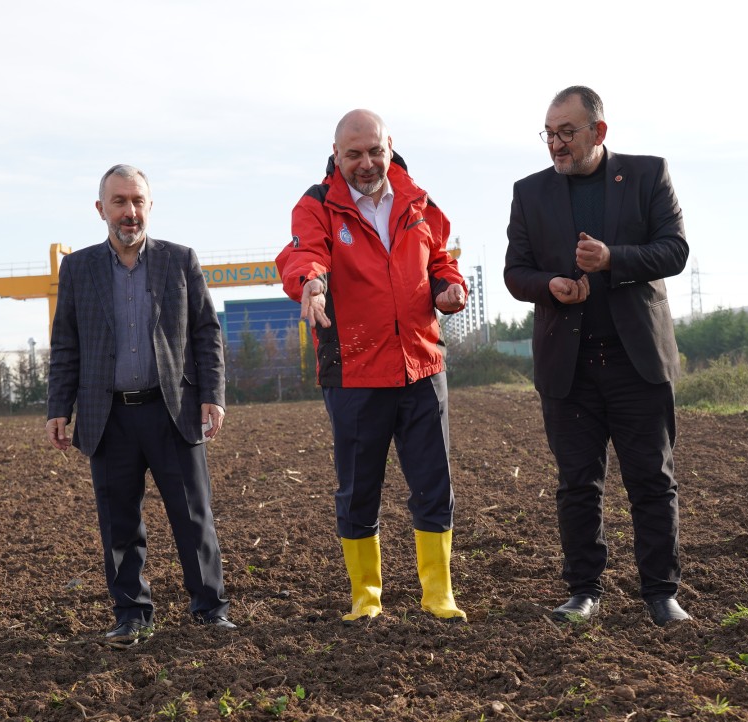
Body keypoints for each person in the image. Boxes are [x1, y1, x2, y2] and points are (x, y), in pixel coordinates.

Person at [504, 85, 692, 626]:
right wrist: (552, 285)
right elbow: (516, 272)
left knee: (652, 481)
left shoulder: (647, 175)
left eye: (567, 132)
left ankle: (661, 594)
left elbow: (674, 250)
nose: (556, 144)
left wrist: (613, 259)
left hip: (637, 361)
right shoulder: (529, 192)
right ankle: (583, 592)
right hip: (570, 367)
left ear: (598, 132)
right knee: (577, 484)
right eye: (550, 133)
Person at [276, 109, 469, 623]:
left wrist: (452, 288)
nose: (365, 163)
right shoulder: (317, 206)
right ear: (336, 156)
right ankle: (366, 597)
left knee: (434, 482)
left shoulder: (419, 202)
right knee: (359, 488)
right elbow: (303, 255)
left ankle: (438, 594)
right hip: (355, 371)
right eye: (353, 154)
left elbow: (441, 260)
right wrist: (311, 283)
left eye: (374, 151)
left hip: (423, 366)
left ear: (390, 147)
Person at [46, 164, 232, 647]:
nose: (130, 212)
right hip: (107, 415)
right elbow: (66, 342)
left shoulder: (179, 260)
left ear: (150, 205)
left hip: (173, 410)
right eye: (119, 202)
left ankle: (209, 608)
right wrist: (57, 407)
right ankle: (132, 613)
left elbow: (206, 333)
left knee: (193, 516)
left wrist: (212, 394)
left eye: (137, 201)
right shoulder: (79, 269)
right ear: (100, 209)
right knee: (119, 521)